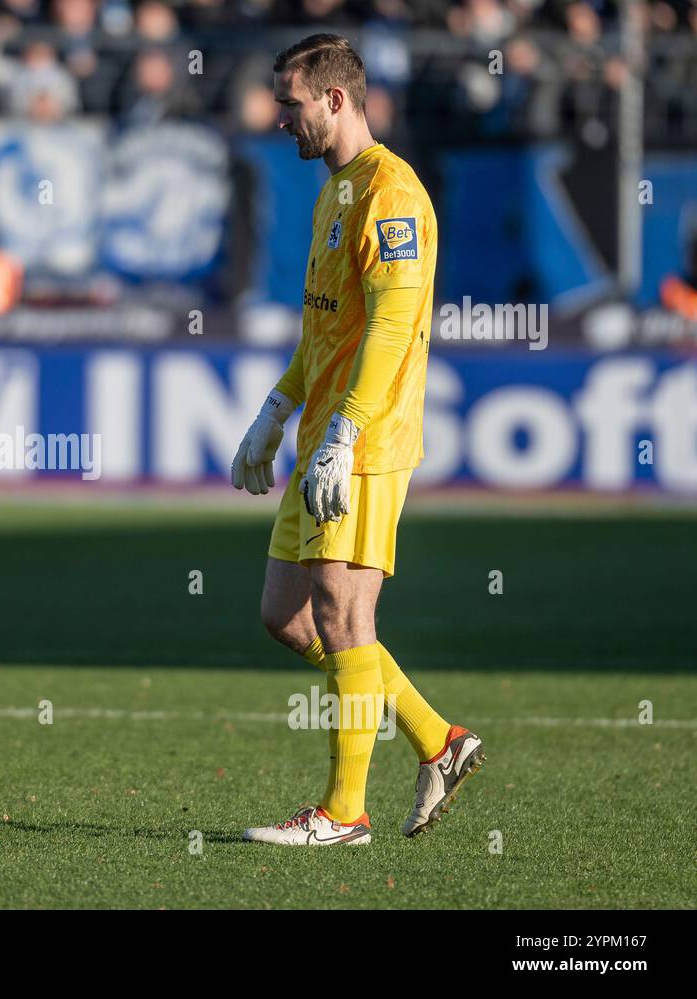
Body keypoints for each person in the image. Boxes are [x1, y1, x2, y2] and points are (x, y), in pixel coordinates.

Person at [230, 34, 485, 846]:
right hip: (323, 434)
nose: (280, 119)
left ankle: (344, 812)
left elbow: (391, 327)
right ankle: (439, 740)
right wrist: (274, 412)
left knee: (343, 614)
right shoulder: (335, 192)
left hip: (366, 441)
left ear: (335, 100)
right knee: (288, 616)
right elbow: (324, 330)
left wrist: (342, 432)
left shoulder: (393, 194)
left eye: (290, 103)